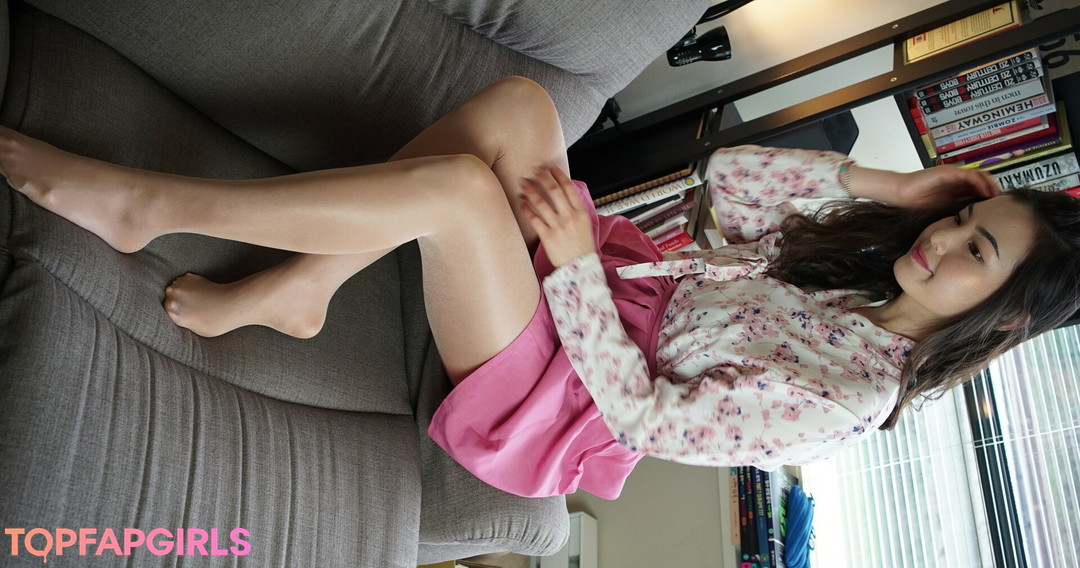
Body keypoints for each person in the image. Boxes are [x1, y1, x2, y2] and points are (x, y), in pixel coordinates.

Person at [2, 76, 1079, 500]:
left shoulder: (848, 399)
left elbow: (648, 417)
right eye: (962, 219)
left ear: (1005, 320)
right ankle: (300, 292)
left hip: (567, 396)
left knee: (462, 195)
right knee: (520, 107)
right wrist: (894, 182)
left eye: (975, 254)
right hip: (600, 292)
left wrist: (568, 267)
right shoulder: (864, 278)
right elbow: (727, 180)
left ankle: (145, 207)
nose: (943, 240)